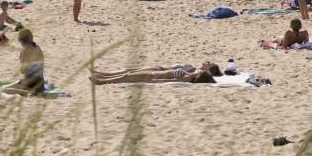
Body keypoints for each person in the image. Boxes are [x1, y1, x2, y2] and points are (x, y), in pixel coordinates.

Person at [2, 29, 46, 96]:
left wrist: (21, 59)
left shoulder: (26, 50)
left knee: (3, 89)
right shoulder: (37, 47)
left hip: (30, 82)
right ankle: (30, 91)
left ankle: (27, 92)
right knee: (11, 85)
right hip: (40, 84)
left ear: (21, 41)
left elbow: (22, 71)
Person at [90, 62, 220, 85]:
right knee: (128, 74)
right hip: (155, 72)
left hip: (153, 75)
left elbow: (172, 81)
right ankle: (103, 77)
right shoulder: (189, 74)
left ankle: (102, 81)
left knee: (127, 76)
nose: (201, 69)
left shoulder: (187, 77)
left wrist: (157, 81)